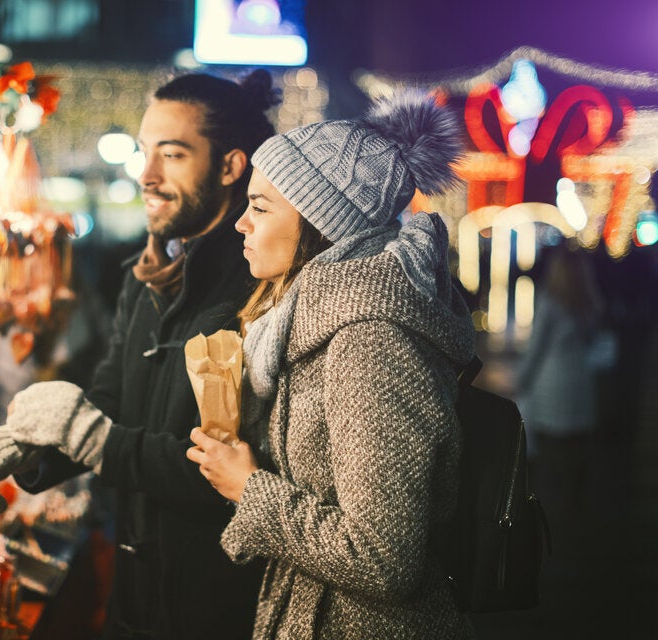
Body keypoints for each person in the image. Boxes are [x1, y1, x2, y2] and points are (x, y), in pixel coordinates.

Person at [0, 71, 281, 639]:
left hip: (214, 606)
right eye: (143, 151)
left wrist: (98, 442)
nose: (146, 175)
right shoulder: (145, 276)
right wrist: (19, 449)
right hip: (133, 592)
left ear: (231, 167)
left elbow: (235, 470)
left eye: (173, 155)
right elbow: (109, 397)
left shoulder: (259, 290)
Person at [185, 92, 477, 638]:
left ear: (320, 223)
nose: (241, 225)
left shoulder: (370, 341)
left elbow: (386, 558)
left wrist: (249, 488)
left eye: (261, 207)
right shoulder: (301, 324)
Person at [515, 244, 608, 528]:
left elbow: (536, 348)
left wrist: (522, 380)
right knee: (577, 449)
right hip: (580, 383)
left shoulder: (548, 303)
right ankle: (576, 506)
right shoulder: (589, 302)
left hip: (551, 386)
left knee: (550, 451)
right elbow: (593, 342)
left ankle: (550, 511)